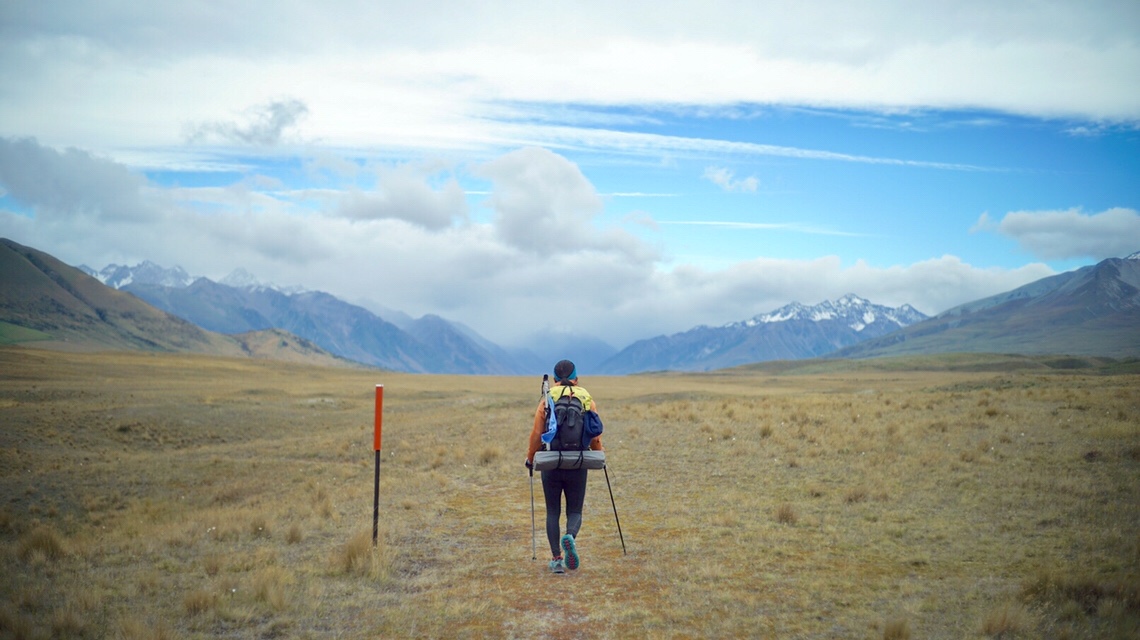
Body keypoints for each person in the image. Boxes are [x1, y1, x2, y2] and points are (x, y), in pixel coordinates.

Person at [525, 359, 604, 574]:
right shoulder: (586, 398)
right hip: (578, 462)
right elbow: (595, 434)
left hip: (551, 462)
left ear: (554, 379)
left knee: (552, 511)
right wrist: (599, 455)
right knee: (575, 509)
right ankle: (570, 536)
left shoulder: (547, 400)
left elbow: (536, 435)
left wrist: (531, 459)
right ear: (577, 378)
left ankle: (556, 559)